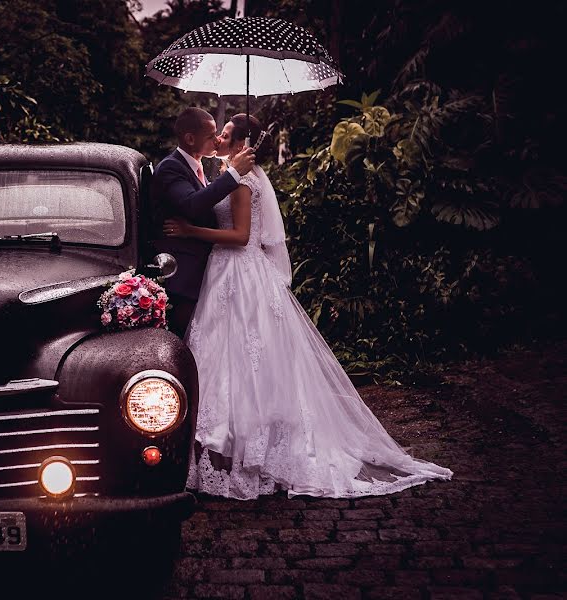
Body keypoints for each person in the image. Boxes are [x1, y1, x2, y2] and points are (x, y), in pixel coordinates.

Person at [165, 114, 453, 499]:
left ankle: (251, 447)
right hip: (221, 275)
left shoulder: (245, 181)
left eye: (227, 135)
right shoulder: (225, 173)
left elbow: (240, 236)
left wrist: (190, 231)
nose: (219, 138)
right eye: (217, 133)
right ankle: (223, 443)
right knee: (222, 357)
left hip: (238, 271)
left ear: (241, 145)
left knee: (247, 361)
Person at [151, 107, 256, 340]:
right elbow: (191, 204)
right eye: (211, 136)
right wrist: (233, 174)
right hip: (182, 280)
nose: (217, 140)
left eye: (218, 134)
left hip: (205, 276)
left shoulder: (197, 168)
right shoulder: (171, 167)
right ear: (190, 139)